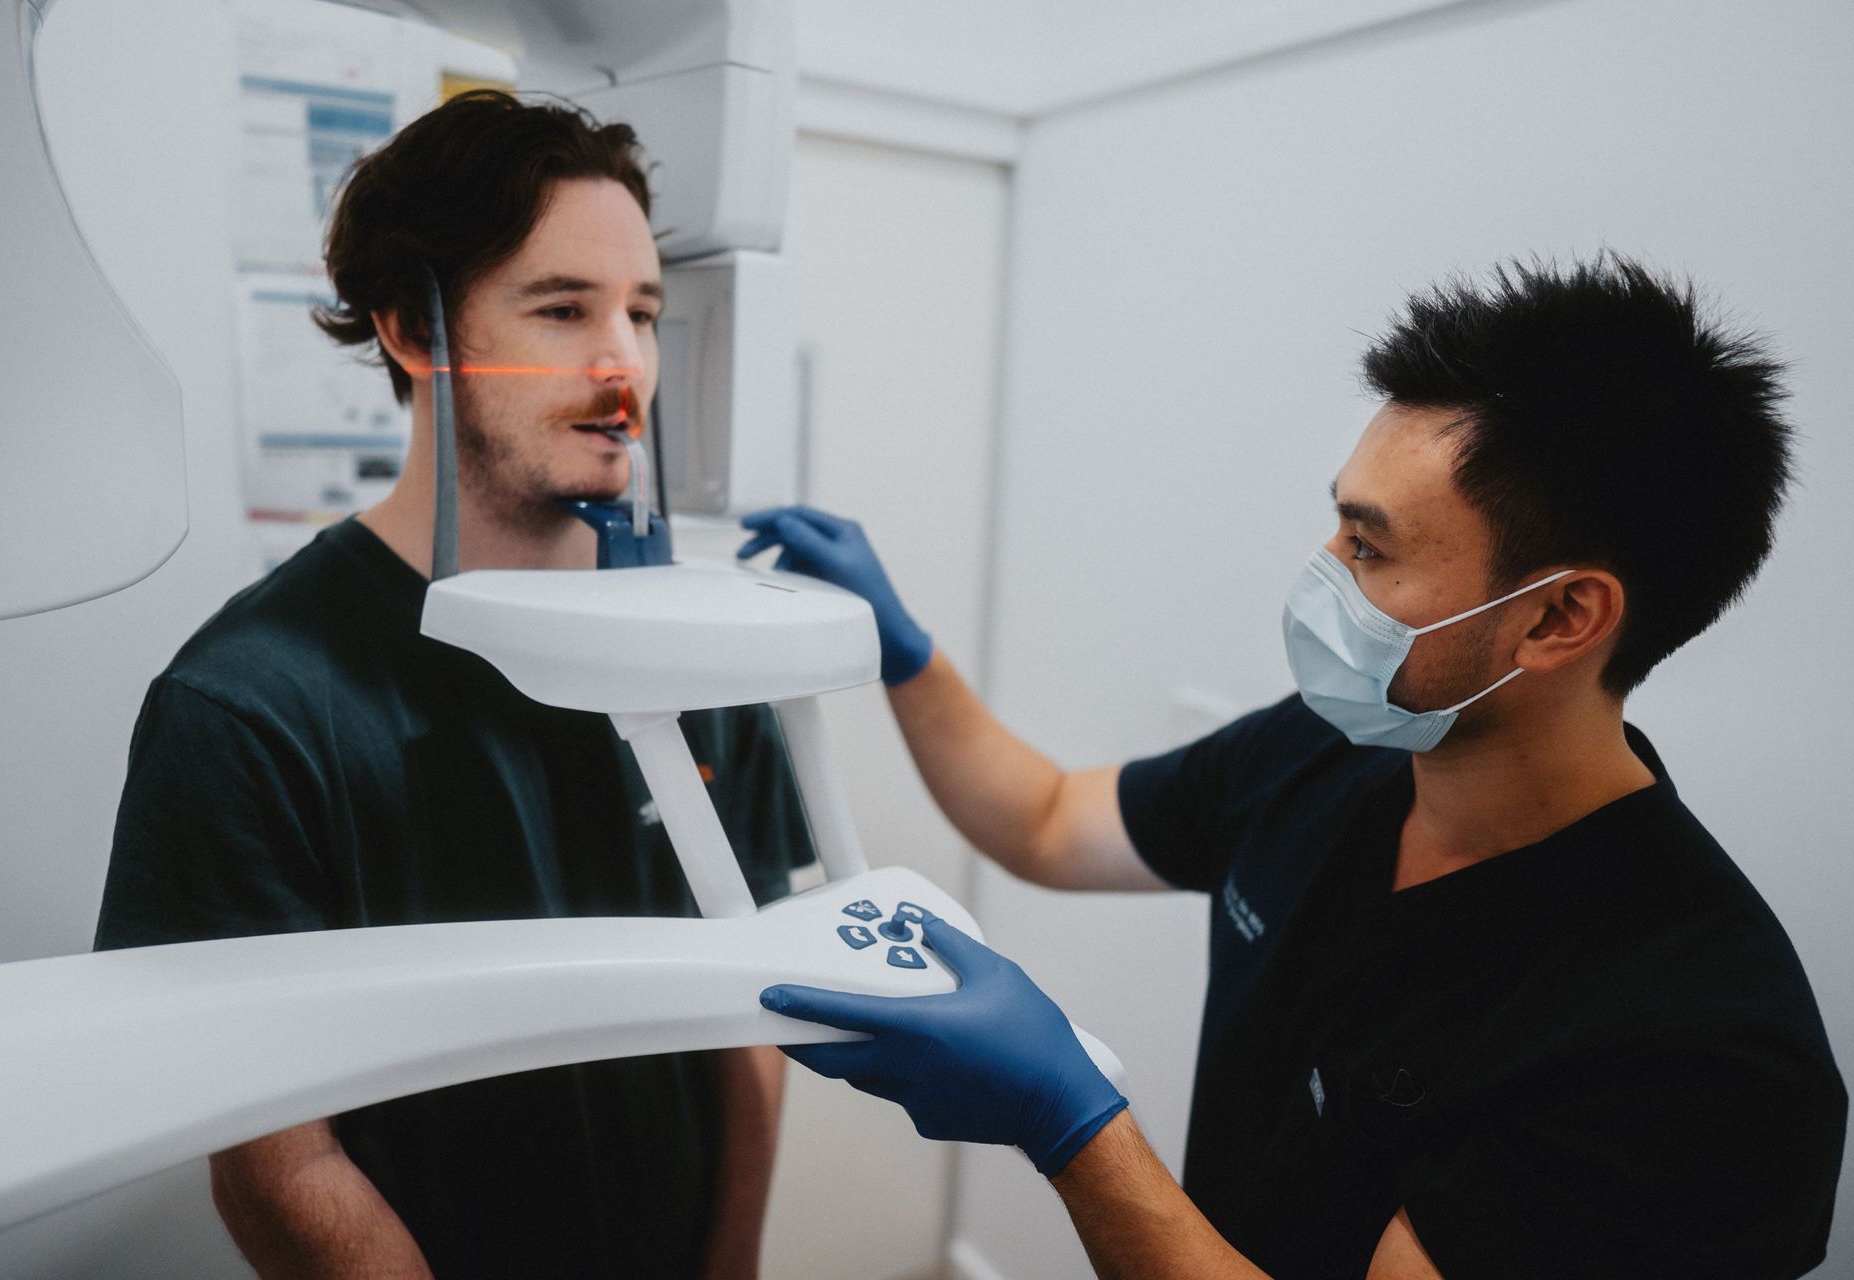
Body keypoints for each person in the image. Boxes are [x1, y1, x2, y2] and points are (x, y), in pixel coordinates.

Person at [742, 256, 1847, 1279]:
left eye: (1369, 547)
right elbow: (1043, 818)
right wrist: (907, 654)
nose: (1322, 575)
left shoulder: (1699, 1056)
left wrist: (1069, 1122)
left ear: (1560, 616)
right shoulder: (1332, 750)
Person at [95, 90, 813, 1280]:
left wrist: (729, 1261)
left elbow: (755, 1006)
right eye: (563, 308)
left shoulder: (703, 653)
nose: (624, 363)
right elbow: (276, 1155)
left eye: (642, 313)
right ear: (412, 330)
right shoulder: (250, 706)